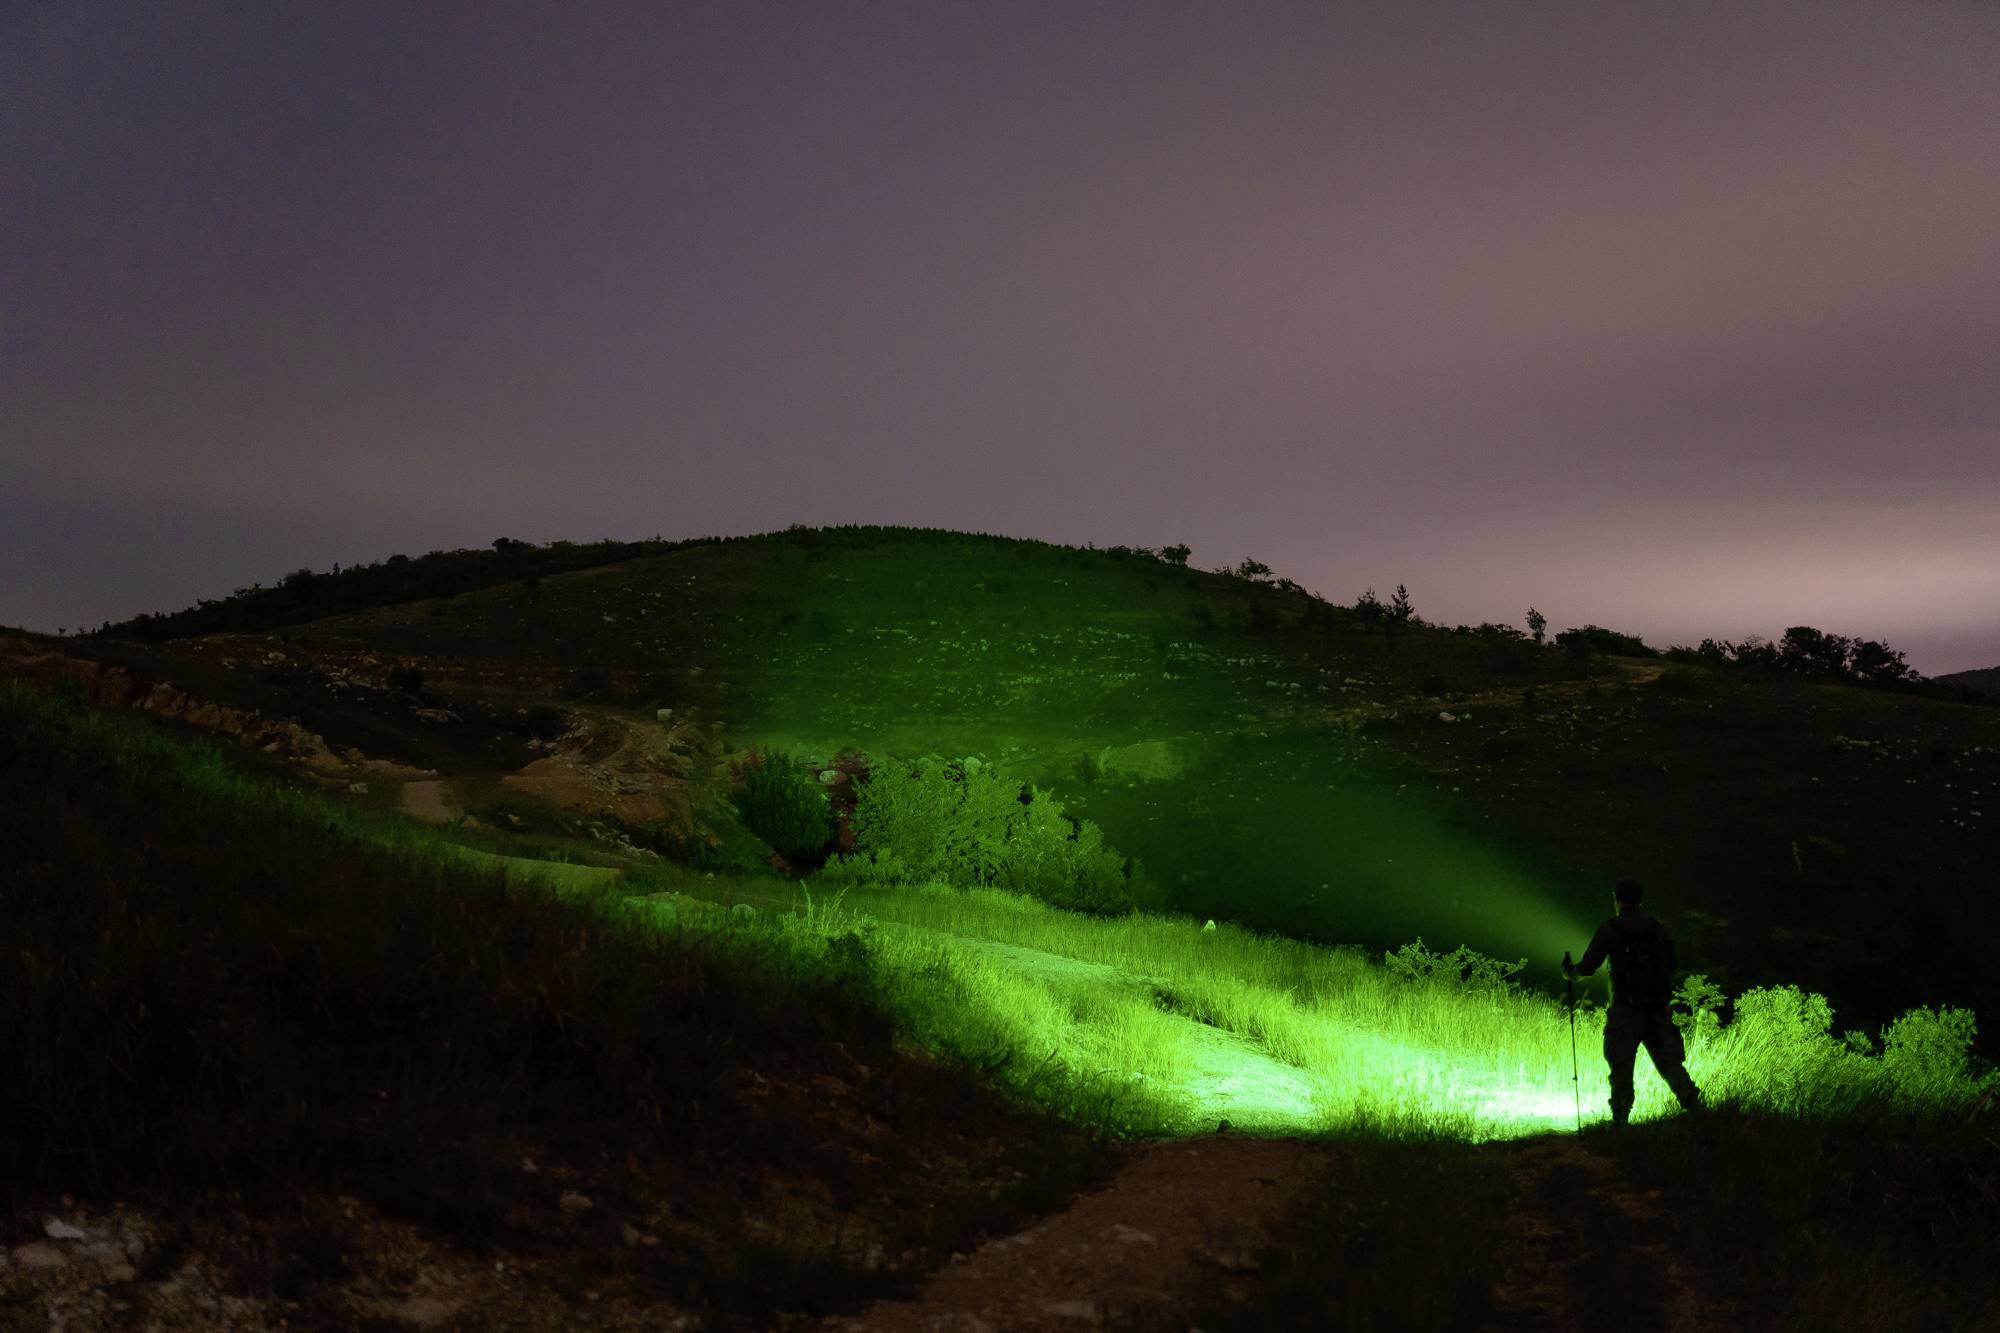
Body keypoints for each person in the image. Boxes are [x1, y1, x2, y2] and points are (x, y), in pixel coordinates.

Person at [1564, 879, 1703, 1127]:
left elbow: (1587, 967)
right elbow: (1673, 965)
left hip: (1625, 1011)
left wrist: (1569, 973)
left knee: (1621, 1067)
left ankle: (1620, 1122)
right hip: (1657, 1010)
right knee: (1670, 1065)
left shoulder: (1610, 929)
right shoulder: (1659, 929)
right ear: (1641, 899)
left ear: (1616, 899)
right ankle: (1698, 1112)